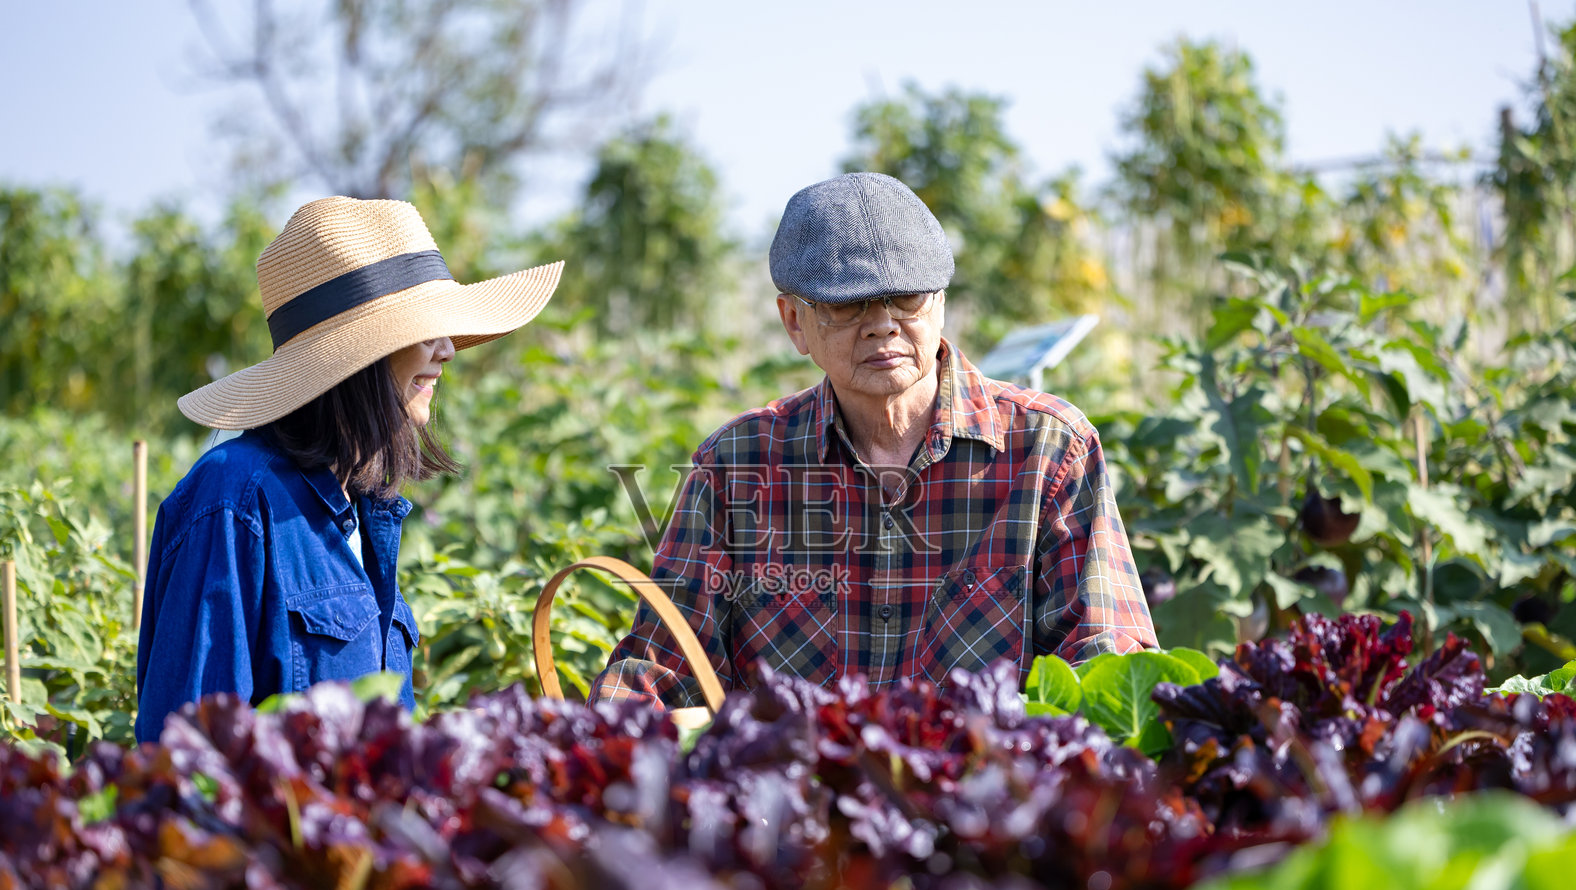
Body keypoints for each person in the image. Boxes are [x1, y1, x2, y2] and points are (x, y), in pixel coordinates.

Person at [592, 172, 1154, 710]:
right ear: (793, 322)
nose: (882, 325)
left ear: (939, 303)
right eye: (846, 305)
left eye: (906, 299)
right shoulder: (735, 465)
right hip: (794, 798)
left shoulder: (1049, 449)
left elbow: (1104, 659)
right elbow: (662, 669)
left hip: (986, 795)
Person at [134, 196, 562, 742]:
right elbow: (188, 758)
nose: (447, 349)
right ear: (355, 357)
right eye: (424, 327)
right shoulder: (235, 499)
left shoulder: (360, 504)